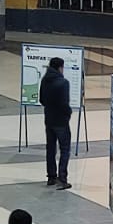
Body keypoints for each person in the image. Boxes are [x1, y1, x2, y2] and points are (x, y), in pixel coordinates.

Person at [40, 57, 73, 189]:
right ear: (60, 67)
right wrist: (68, 112)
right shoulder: (63, 83)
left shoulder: (44, 80)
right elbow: (64, 104)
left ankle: (51, 177)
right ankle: (62, 178)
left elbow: (42, 100)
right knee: (65, 149)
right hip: (61, 121)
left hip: (49, 119)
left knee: (51, 148)